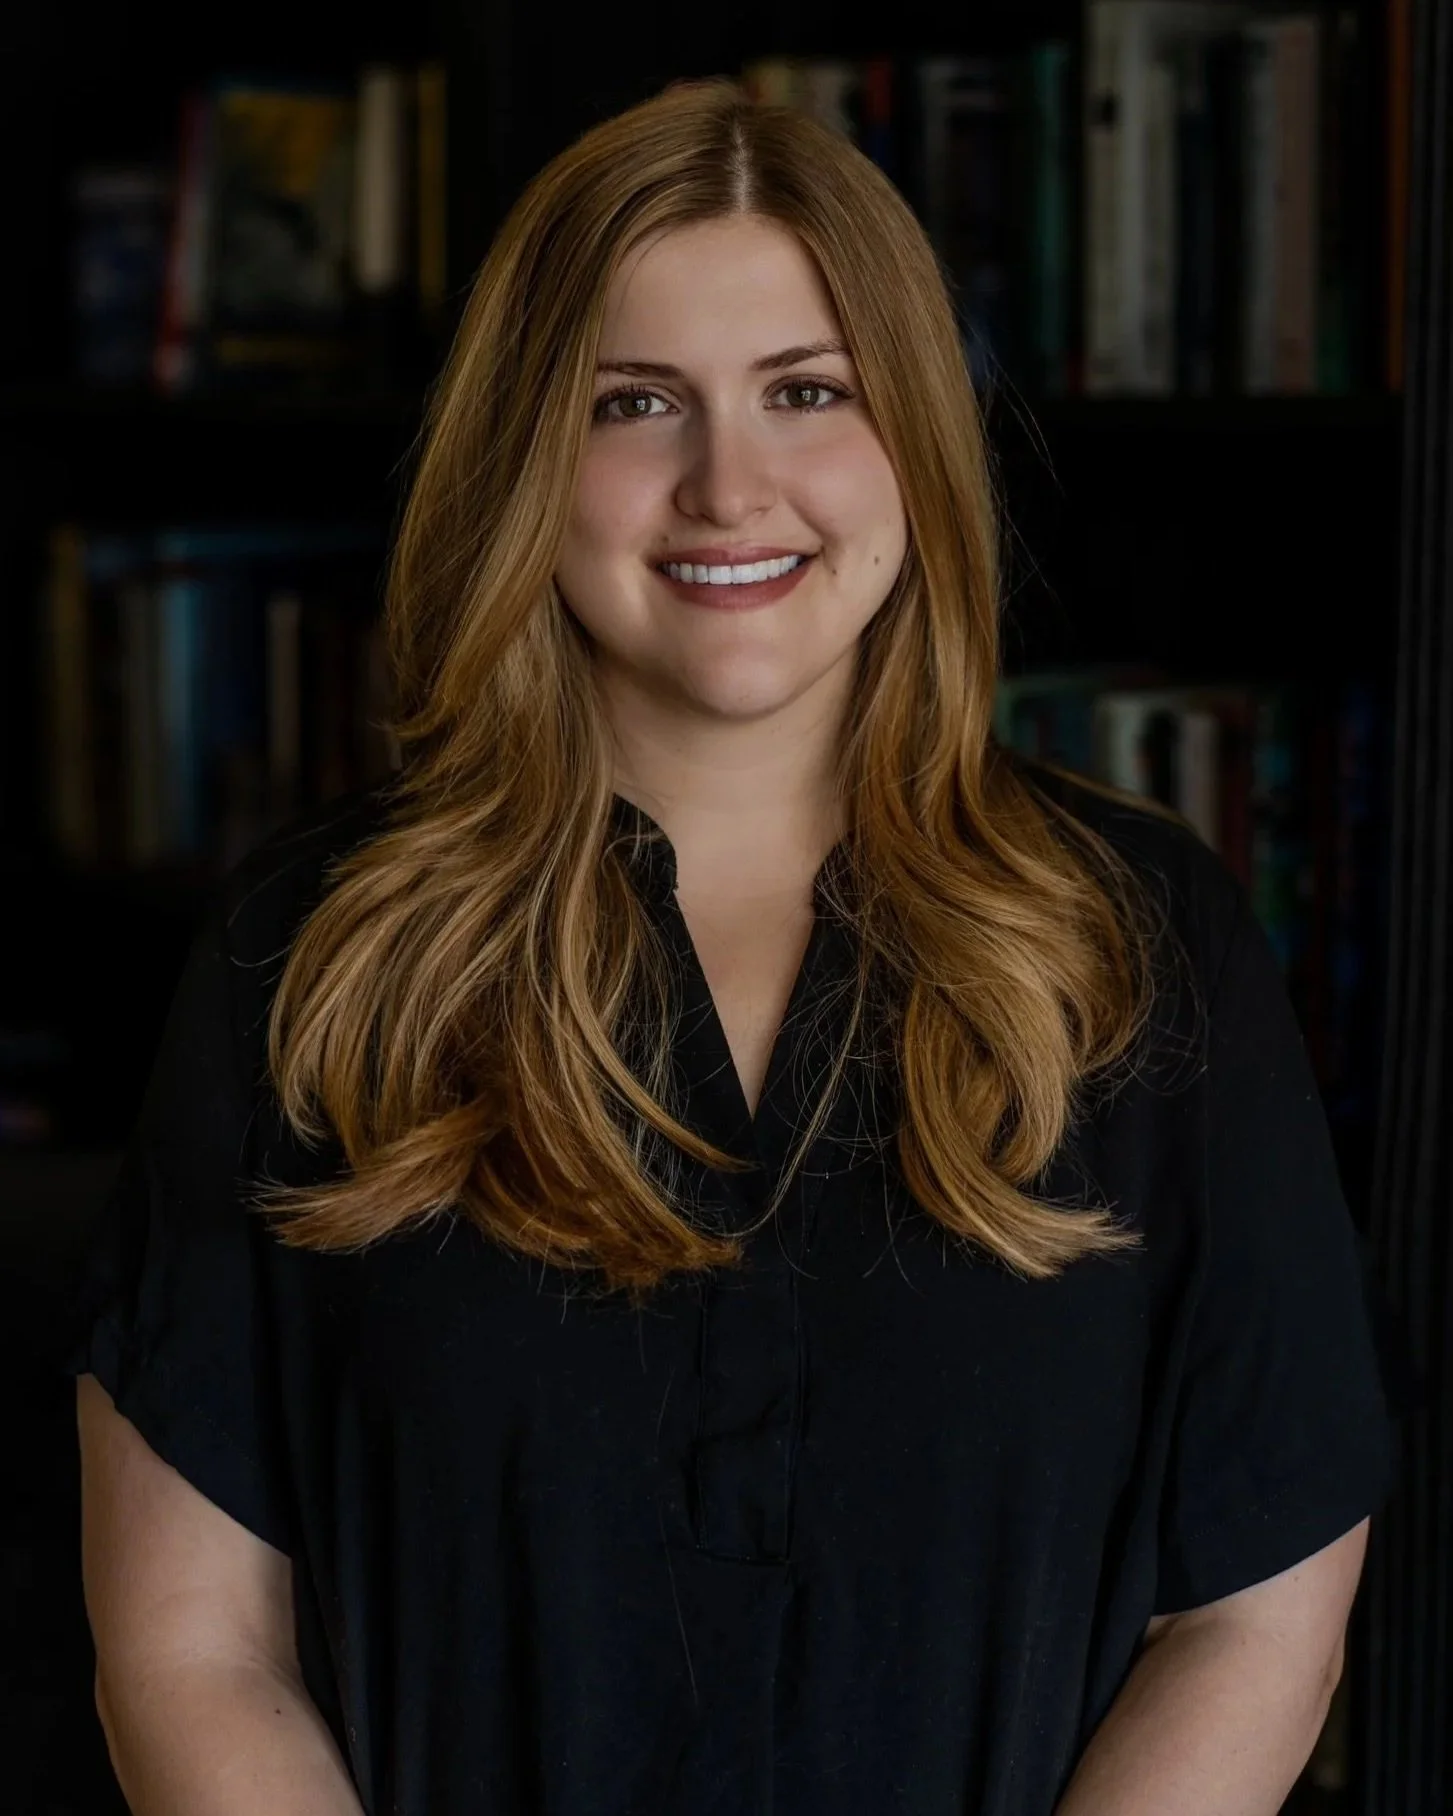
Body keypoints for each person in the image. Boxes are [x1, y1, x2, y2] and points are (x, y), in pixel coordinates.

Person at [63, 76, 1395, 1816]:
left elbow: (1258, 1610)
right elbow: (190, 1651)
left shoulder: (1142, 943)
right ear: (527, 456)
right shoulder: (314, 957)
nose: (726, 485)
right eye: (635, 402)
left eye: (807, 392)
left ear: (911, 432)